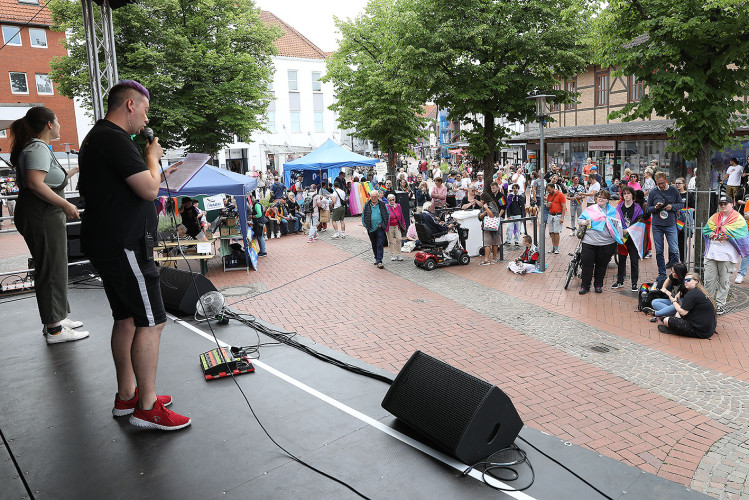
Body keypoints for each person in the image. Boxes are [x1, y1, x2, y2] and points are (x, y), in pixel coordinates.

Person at [78, 80, 190, 430]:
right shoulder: (115, 139)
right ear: (129, 105)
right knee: (152, 321)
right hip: (125, 245)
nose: (146, 118)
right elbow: (148, 187)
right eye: (144, 109)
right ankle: (147, 407)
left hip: (108, 243)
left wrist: (155, 170)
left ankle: (128, 394)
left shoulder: (99, 137)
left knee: (126, 318)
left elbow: (135, 185)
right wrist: (153, 160)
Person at [10, 106, 89, 343]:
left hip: (44, 214)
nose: (60, 125)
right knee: (50, 268)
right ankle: (54, 328)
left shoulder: (39, 148)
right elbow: (36, 183)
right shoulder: (37, 148)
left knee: (56, 265)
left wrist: (78, 168)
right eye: (58, 121)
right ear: (49, 125)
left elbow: (55, 178)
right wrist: (65, 205)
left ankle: (57, 317)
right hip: (42, 215)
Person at [702, 195, 749, 315]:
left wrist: (728, 236)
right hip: (711, 254)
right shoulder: (715, 217)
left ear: (732, 204)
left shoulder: (738, 218)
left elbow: (743, 237)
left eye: (725, 204)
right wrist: (711, 233)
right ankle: (708, 305)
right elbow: (706, 230)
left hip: (727, 256)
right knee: (708, 281)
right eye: (721, 204)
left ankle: (720, 305)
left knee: (724, 282)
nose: (723, 206)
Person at [577, 190, 622, 294]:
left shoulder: (614, 211)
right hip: (589, 241)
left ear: (607, 200)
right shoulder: (590, 209)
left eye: (603, 197)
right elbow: (580, 219)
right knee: (587, 264)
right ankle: (585, 286)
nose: (601, 199)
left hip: (607, 243)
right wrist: (583, 222)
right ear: (596, 199)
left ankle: (598, 285)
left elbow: (618, 226)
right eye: (599, 197)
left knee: (601, 265)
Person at [646, 171, 683, 285]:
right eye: (658, 184)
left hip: (670, 223)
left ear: (665, 179)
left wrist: (672, 207)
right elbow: (647, 209)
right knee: (659, 250)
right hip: (657, 224)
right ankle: (662, 273)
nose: (661, 186)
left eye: (662, 183)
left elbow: (681, 204)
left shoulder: (673, 190)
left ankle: (676, 272)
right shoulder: (653, 192)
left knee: (674, 249)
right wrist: (655, 207)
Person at [659, 274, 717, 339]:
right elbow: (686, 308)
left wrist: (673, 301)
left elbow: (683, 312)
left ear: (696, 281)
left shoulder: (691, 294)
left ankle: (676, 331)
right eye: (684, 280)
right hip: (709, 329)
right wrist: (678, 301)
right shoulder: (699, 291)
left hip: (700, 331)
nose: (685, 282)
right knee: (677, 314)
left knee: (666, 320)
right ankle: (675, 327)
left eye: (688, 280)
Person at [613, 186, 643, 291]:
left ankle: (634, 283)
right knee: (621, 260)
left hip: (633, 238)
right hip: (622, 238)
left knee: (634, 260)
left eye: (628, 193)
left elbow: (639, 222)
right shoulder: (619, 207)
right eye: (624, 193)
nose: (626, 195)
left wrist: (629, 230)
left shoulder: (638, 208)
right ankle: (620, 281)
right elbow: (616, 221)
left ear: (632, 195)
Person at [362, 190, 389, 268]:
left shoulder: (382, 204)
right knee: (374, 244)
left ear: (378, 197)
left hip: (380, 228)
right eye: (372, 197)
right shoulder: (367, 204)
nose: (373, 198)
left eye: (375, 197)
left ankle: (379, 261)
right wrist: (366, 225)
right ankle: (376, 257)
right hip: (370, 228)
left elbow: (387, 215)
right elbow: (363, 216)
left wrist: (383, 224)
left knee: (380, 244)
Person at [478, 192, 500, 265]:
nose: (480, 201)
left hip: (493, 225)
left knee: (494, 242)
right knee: (487, 242)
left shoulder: (491, 204)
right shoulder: (483, 206)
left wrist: (486, 209)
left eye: (481, 199)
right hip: (486, 226)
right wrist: (482, 214)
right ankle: (487, 259)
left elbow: (492, 215)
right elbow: (479, 217)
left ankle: (493, 258)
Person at [545, 183, 567, 254]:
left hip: (558, 215)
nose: (548, 191)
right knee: (552, 232)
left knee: (556, 232)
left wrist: (562, 217)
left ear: (553, 188)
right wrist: (548, 205)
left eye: (549, 190)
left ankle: (556, 247)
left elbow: (564, 206)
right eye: (547, 190)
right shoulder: (549, 195)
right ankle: (553, 247)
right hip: (551, 214)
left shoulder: (560, 195)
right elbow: (548, 205)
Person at [385, 194, 407, 261]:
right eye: (390, 200)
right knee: (391, 241)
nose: (392, 201)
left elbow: (401, 216)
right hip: (389, 226)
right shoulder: (386, 206)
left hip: (397, 225)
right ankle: (392, 254)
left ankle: (398, 254)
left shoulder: (398, 206)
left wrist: (404, 225)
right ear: (388, 200)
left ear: (395, 199)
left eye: (393, 199)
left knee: (399, 239)